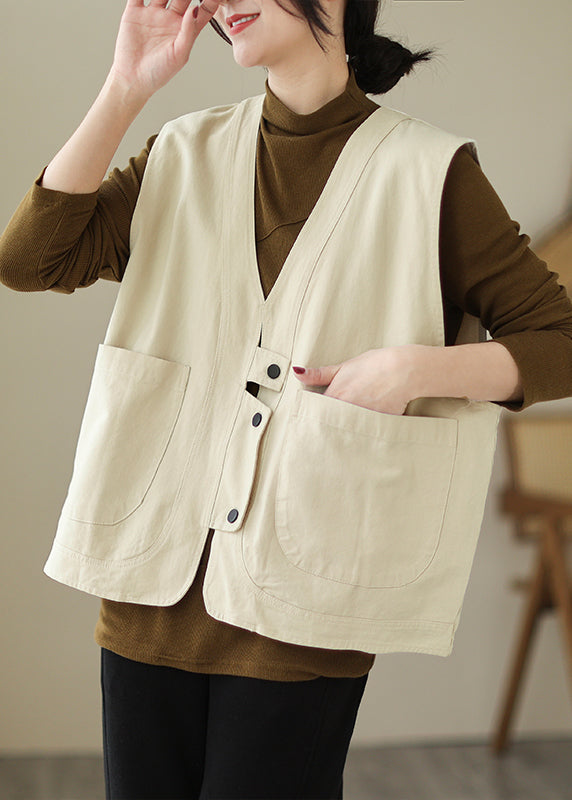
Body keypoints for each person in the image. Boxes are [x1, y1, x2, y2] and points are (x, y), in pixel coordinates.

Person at [2, 0, 572, 798]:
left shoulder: (429, 173)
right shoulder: (183, 151)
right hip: (147, 581)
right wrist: (127, 84)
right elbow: (31, 259)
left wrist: (417, 369)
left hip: (307, 593)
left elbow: (558, 340)